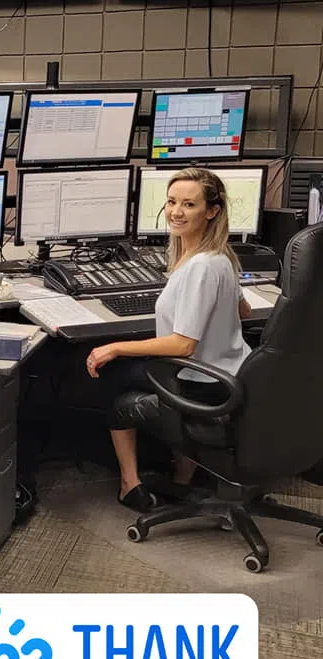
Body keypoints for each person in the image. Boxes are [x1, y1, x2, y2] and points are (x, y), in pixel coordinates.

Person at [85, 167, 252, 512]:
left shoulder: (200, 267)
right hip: (231, 374)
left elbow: (182, 346)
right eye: (172, 202)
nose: (176, 212)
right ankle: (182, 478)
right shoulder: (221, 256)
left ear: (212, 211)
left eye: (189, 204)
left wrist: (114, 347)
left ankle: (129, 485)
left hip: (201, 383)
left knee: (112, 377)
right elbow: (244, 310)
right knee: (136, 367)